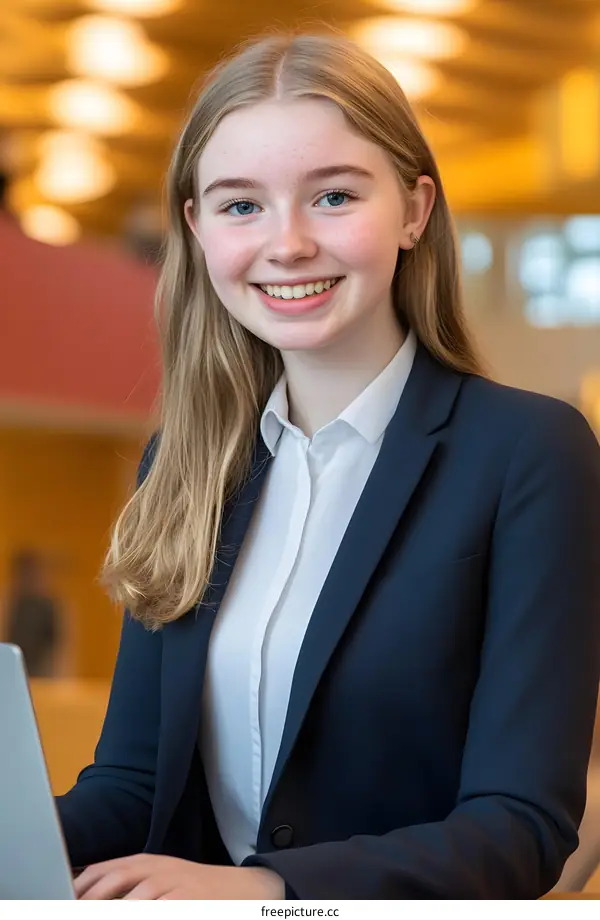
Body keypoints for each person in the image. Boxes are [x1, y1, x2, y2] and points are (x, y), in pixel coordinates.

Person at [56, 31, 600, 900]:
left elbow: (519, 829)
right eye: (242, 206)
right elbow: (130, 786)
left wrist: (269, 891)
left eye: (335, 196)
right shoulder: (185, 464)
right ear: (197, 230)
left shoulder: (529, 453)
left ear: (415, 210)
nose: (290, 243)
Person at [4, 550, 62, 678]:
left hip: (42, 672)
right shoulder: (10, 603)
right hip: (13, 668)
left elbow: (58, 648)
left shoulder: (49, 607)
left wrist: (57, 676)